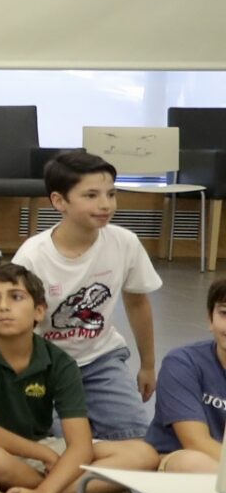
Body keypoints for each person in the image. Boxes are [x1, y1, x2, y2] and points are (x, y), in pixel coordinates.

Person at [0, 260, 156, 493]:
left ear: (39, 311)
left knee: (143, 455)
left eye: (16, 297)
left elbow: (80, 445)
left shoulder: (59, 361)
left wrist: (45, 491)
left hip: (36, 445)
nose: (3, 307)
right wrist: (43, 455)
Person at [13, 150, 163, 452]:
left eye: (111, 193)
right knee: (56, 446)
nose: (105, 204)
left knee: (137, 443)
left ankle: (99, 467)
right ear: (59, 202)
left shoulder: (124, 242)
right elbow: (14, 325)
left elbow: (138, 304)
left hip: (100, 359)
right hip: (45, 365)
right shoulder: (32, 255)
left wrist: (148, 365)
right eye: (91, 195)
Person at [147, 279, 226, 476]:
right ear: (210, 319)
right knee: (195, 462)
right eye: (224, 314)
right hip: (178, 459)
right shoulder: (182, 363)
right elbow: (196, 442)